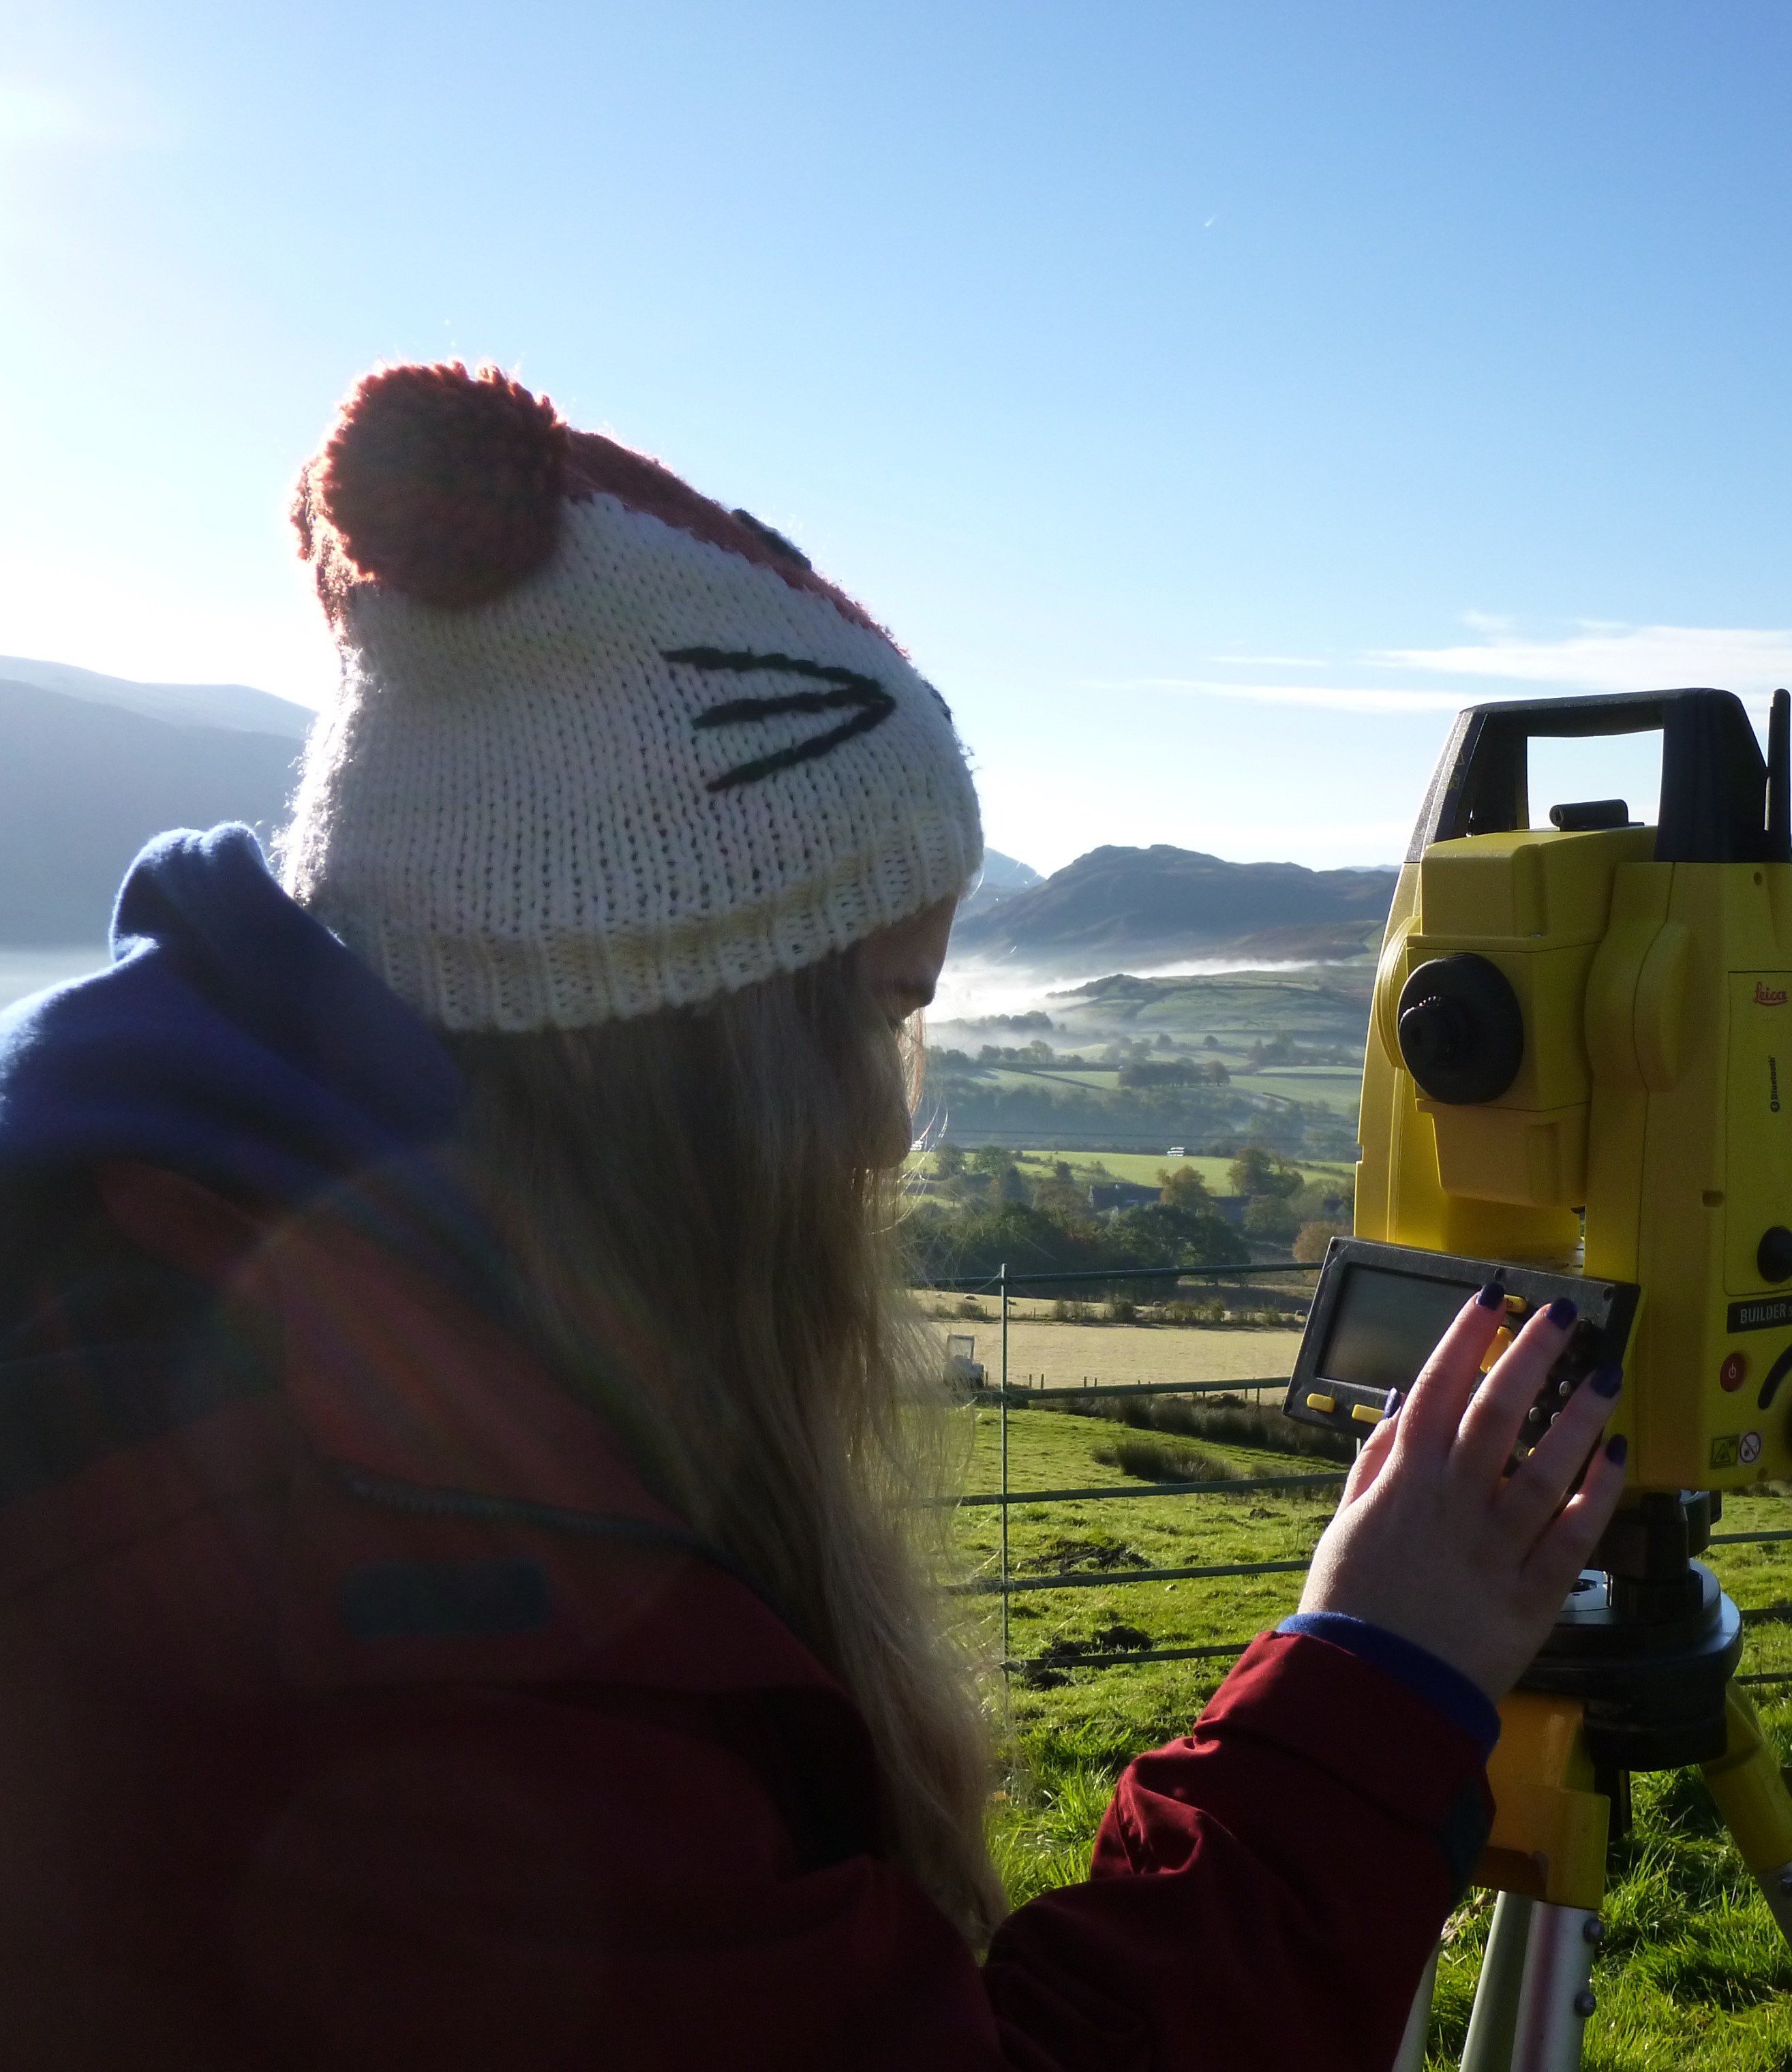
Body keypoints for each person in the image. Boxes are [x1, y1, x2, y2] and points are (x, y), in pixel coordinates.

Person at [0, 362, 1627, 2070]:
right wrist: (1376, 1675)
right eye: (877, 1014)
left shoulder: (171, 1298)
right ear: (711, 1047)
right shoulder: (399, 1609)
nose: (882, 1136)